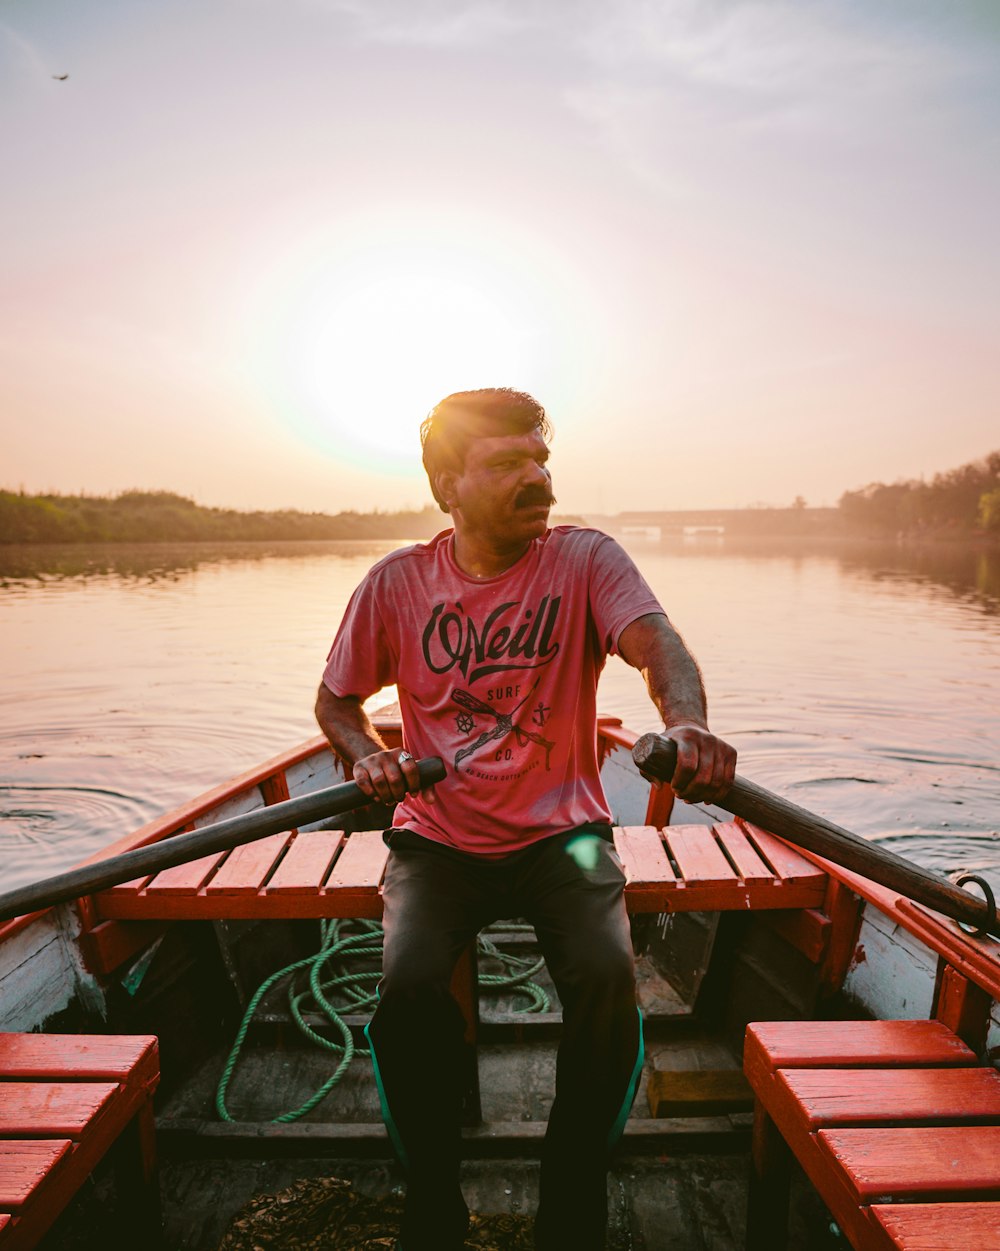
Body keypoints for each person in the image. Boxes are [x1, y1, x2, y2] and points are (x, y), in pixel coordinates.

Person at [315, 387, 736, 1251]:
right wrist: (367, 754)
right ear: (447, 487)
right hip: (437, 837)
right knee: (407, 989)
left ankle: (569, 1195)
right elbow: (335, 701)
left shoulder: (584, 559)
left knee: (609, 979)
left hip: (567, 836)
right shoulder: (396, 583)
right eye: (506, 463)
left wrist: (687, 719)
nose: (535, 477)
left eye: (540, 459)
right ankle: (433, 1196)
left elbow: (660, 646)